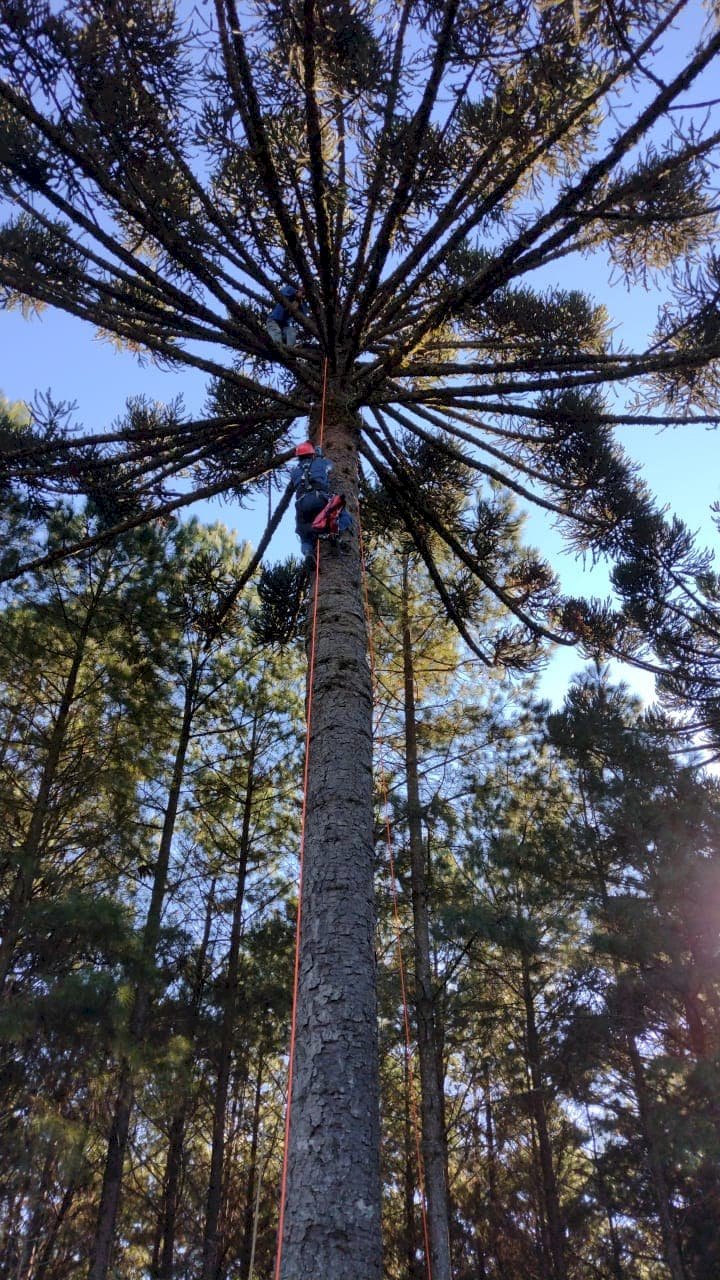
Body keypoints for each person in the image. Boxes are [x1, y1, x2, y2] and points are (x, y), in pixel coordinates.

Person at [290, 442, 352, 568]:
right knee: (344, 515)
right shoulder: (320, 462)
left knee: (305, 534)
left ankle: (308, 553)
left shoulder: (295, 471)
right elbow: (330, 466)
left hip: (302, 504)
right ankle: (335, 532)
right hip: (320, 499)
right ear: (312, 454)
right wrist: (320, 457)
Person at [266, 283, 309, 347]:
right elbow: (281, 293)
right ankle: (279, 348)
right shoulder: (290, 289)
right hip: (273, 320)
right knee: (276, 332)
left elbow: (304, 315)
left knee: (291, 331)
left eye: (305, 294)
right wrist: (294, 295)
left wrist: (300, 301)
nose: (303, 294)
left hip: (284, 325)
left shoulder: (303, 304)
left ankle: (290, 349)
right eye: (303, 292)